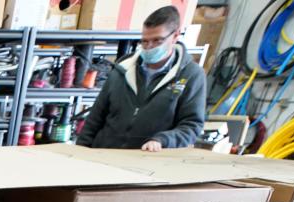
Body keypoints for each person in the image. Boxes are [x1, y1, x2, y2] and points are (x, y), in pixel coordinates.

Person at [76, 5, 205, 152]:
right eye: (144, 41)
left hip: (147, 163)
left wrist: (163, 140)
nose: (149, 47)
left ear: (175, 36)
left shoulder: (190, 75)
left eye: (157, 40)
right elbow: (95, 117)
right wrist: (80, 151)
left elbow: (192, 125)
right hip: (106, 155)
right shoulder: (122, 69)